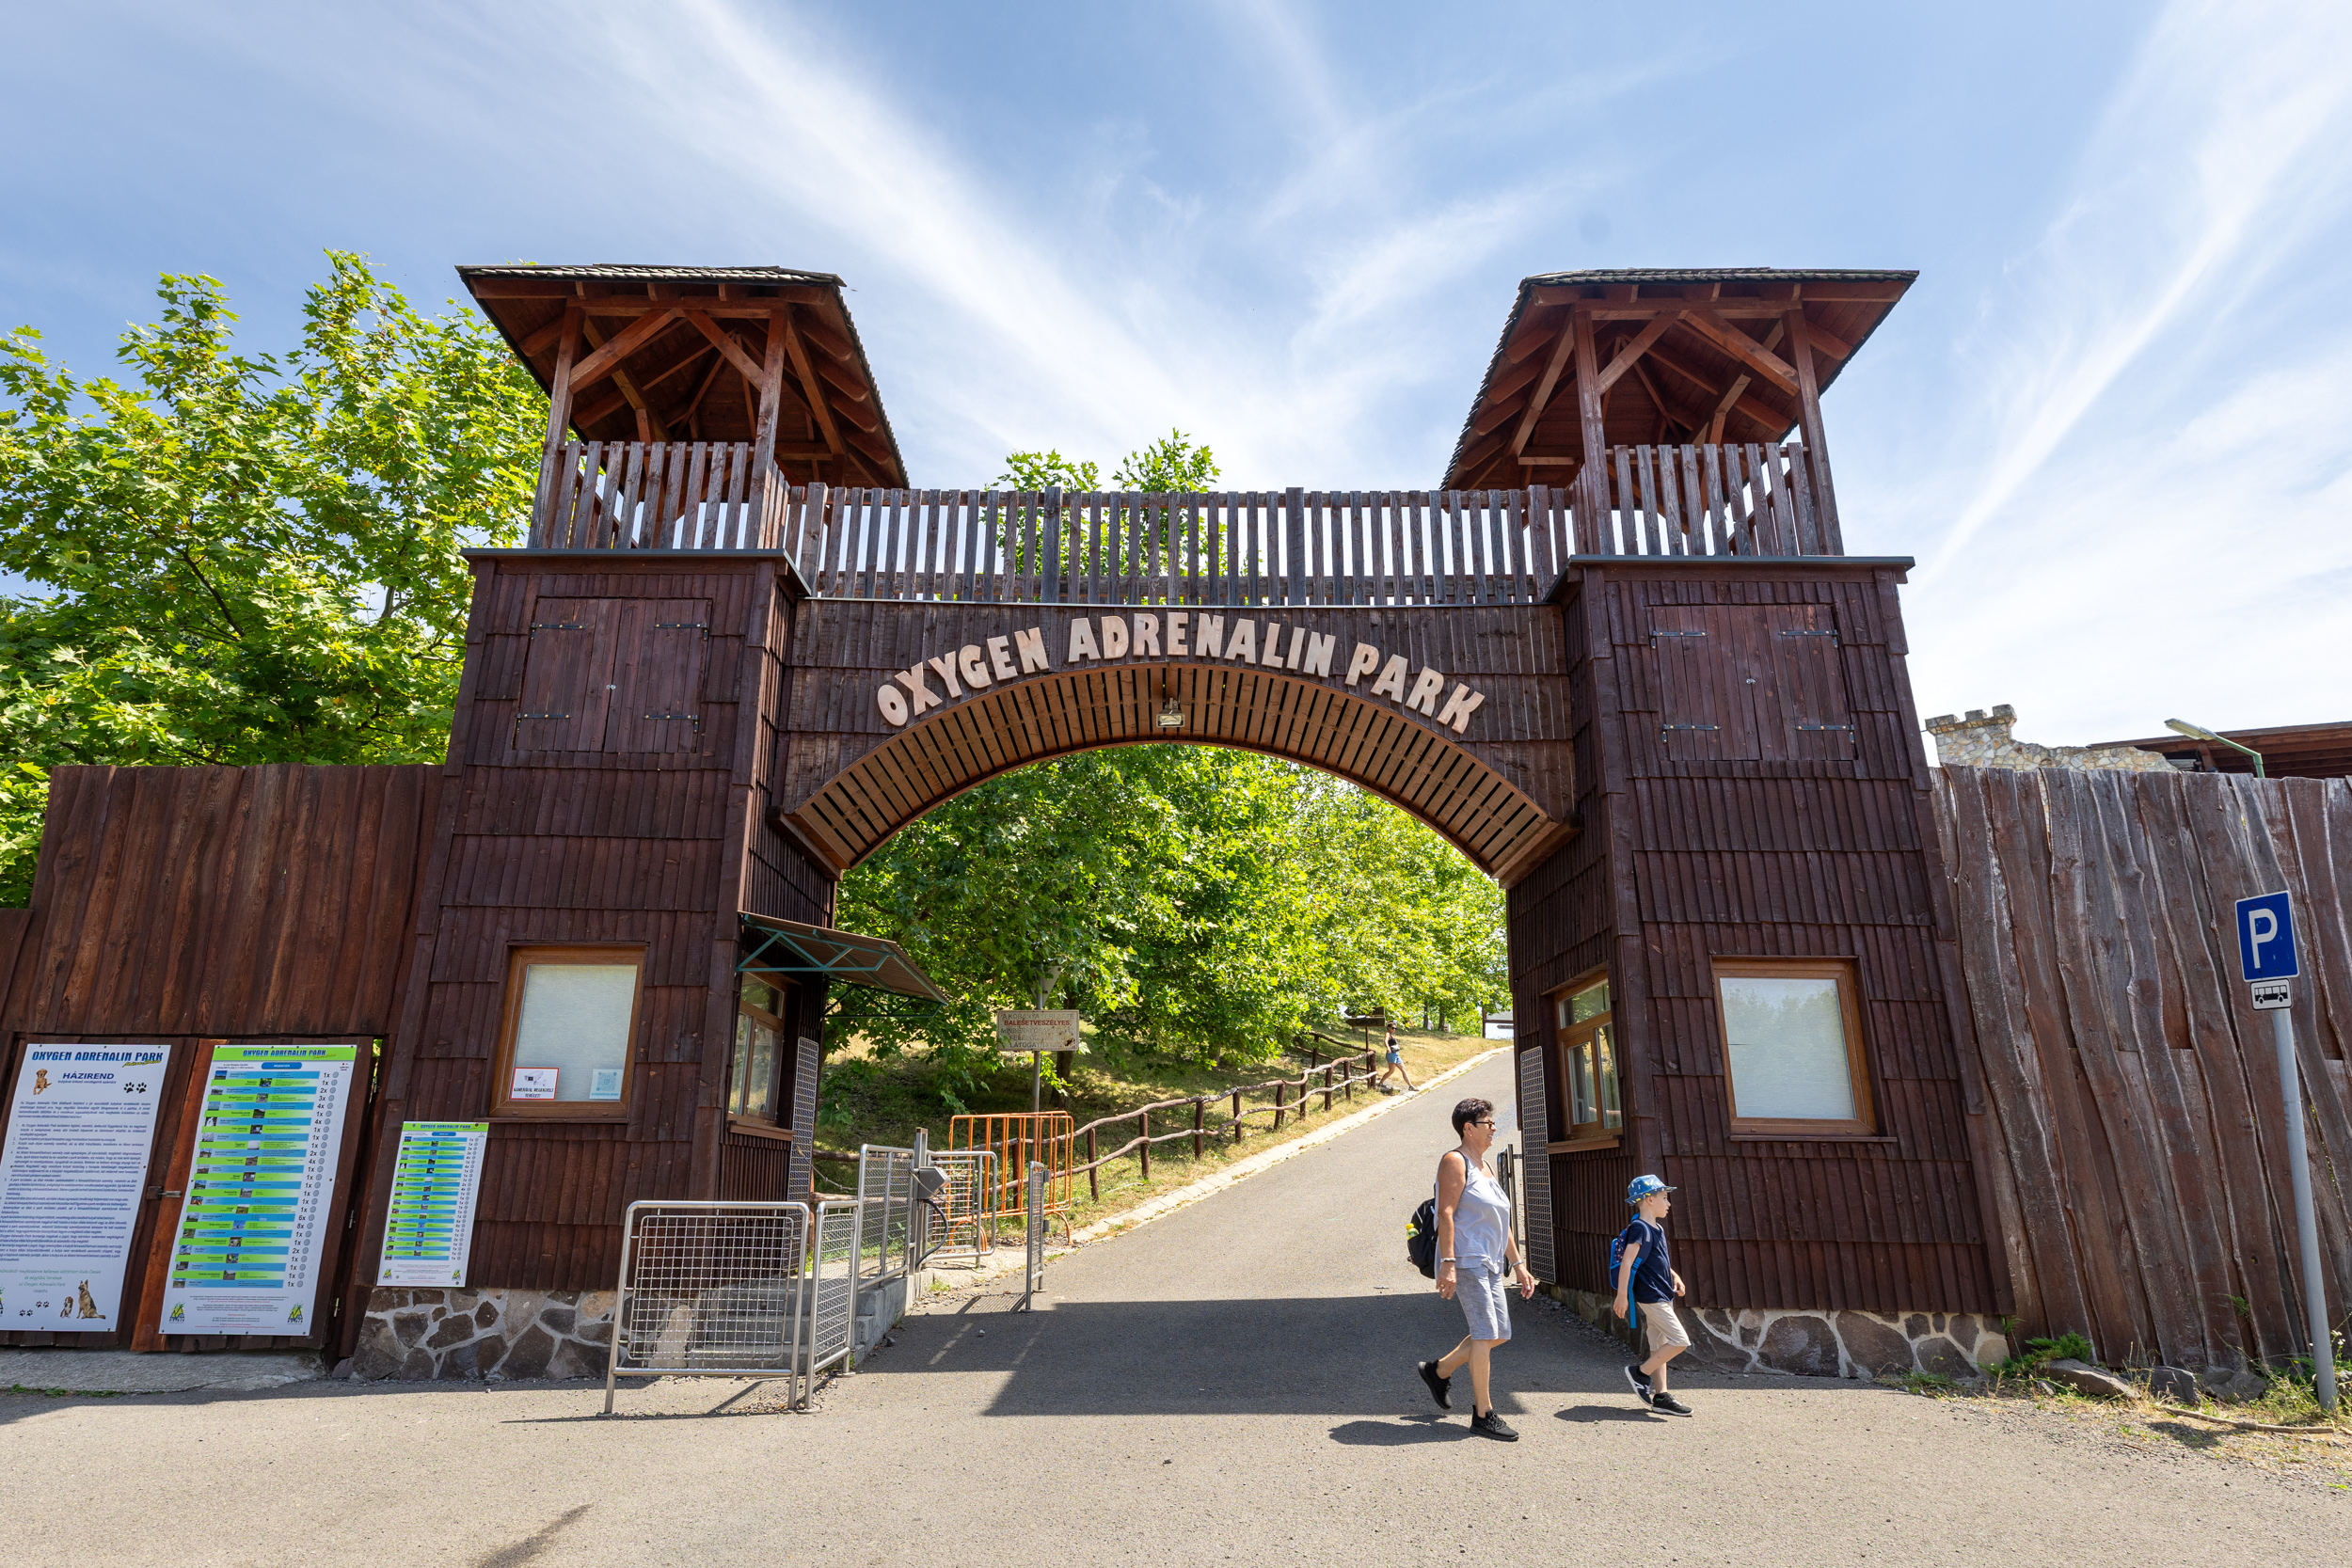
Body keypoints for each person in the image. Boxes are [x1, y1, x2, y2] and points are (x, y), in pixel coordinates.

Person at [1414, 1097, 1535, 1439]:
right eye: (1488, 1123)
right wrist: (1449, 1263)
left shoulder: (1486, 1167)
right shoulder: (1455, 1161)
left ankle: (1439, 1371)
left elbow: (1502, 1222)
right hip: (1466, 1260)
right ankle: (1483, 1414)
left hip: (1491, 1262)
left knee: (1498, 1334)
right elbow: (1446, 1213)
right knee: (1484, 1333)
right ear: (1469, 1129)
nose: (1494, 1127)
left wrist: (1519, 1264)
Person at [1613, 1174, 1692, 1417]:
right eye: (1664, 1198)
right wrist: (1621, 1296)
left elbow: (1656, 1260)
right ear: (1648, 1200)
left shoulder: (1656, 1229)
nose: (1668, 1204)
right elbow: (1627, 1262)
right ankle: (1640, 1373)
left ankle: (1661, 1396)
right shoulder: (1639, 1228)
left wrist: (1674, 1275)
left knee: (1659, 1345)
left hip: (1662, 1292)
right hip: (1651, 1296)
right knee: (1680, 1340)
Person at [1375, 1024, 1414, 1094]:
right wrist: (1388, 1048)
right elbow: (1385, 1041)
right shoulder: (1388, 1034)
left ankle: (1411, 1086)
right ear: (1389, 1028)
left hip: (1396, 1055)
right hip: (1391, 1054)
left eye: (1395, 1028)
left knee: (1403, 1069)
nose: (1394, 1029)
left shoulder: (1392, 1035)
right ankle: (1381, 1083)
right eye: (1392, 1028)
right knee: (1391, 1071)